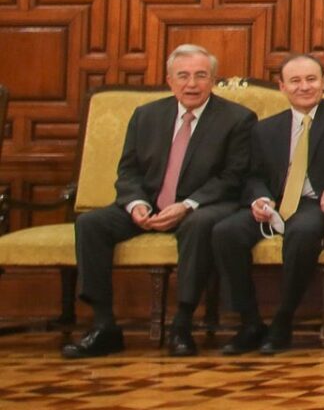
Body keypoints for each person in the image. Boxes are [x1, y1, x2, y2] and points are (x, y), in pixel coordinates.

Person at [63, 45, 254, 359]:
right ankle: (103, 325)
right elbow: (128, 171)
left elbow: (233, 177)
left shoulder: (237, 119)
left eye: (200, 76)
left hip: (204, 205)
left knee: (199, 225)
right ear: (170, 80)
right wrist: (136, 203)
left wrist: (187, 205)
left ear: (213, 81)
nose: (191, 84)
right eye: (183, 76)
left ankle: (182, 324)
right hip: (150, 204)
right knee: (90, 223)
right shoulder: (146, 115)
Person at [211, 53, 324, 355]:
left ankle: (283, 320)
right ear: (282, 87)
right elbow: (253, 174)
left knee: (302, 232)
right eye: (295, 81)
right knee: (226, 232)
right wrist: (260, 198)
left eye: (311, 79)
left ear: (323, 82)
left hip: (318, 203)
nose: (304, 87)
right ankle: (250, 323)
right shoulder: (266, 128)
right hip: (274, 204)